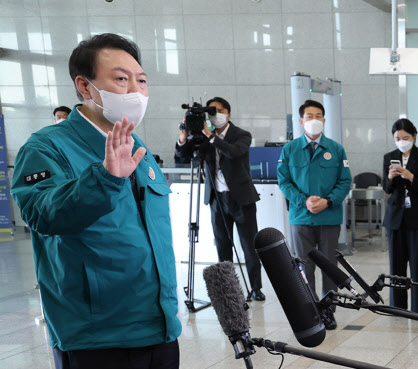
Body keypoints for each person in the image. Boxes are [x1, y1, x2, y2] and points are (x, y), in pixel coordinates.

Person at [11, 33, 182, 369]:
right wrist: (104, 179)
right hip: (97, 336)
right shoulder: (47, 148)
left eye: (142, 80)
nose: (135, 89)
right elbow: (42, 214)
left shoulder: (137, 148)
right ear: (85, 87)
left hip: (159, 327)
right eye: (121, 79)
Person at [174, 97, 265, 301]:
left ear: (229, 114)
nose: (215, 116)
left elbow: (234, 153)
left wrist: (211, 136)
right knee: (222, 245)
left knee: (249, 246)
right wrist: (183, 136)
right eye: (211, 112)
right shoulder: (203, 137)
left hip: (242, 199)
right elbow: (182, 158)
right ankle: (229, 289)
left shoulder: (241, 135)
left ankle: (256, 288)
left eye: (219, 111)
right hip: (216, 199)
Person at [277, 99, 352, 330]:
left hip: (328, 217)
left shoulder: (336, 149)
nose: (314, 120)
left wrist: (327, 201)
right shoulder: (289, 149)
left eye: (318, 116)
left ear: (324, 120)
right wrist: (303, 200)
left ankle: (328, 311)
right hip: (301, 217)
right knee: (303, 267)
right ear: (301, 121)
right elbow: (284, 181)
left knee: (329, 266)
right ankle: (310, 312)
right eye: (309, 116)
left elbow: (345, 180)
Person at [382, 118, 418, 314]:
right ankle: (398, 307)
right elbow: (386, 189)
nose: (401, 140)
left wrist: (410, 176)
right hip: (395, 217)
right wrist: (390, 177)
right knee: (396, 264)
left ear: (414, 136)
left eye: (405, 137)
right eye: (397, 137)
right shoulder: (389, 157)